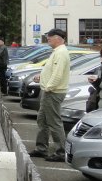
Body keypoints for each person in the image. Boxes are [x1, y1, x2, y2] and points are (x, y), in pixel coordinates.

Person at [30, 28, 71, 162]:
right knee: (42, 120)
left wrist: (48, 87)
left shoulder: (61, 53)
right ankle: (41, 148)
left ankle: (61, 151)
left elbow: (57, 74)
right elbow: (51, 70)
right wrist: (41, 77)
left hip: (53, 92)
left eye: (50, 37)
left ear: (58, 38)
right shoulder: (57, 52)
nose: (48, 38)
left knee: (54, 122)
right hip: (49, 91)